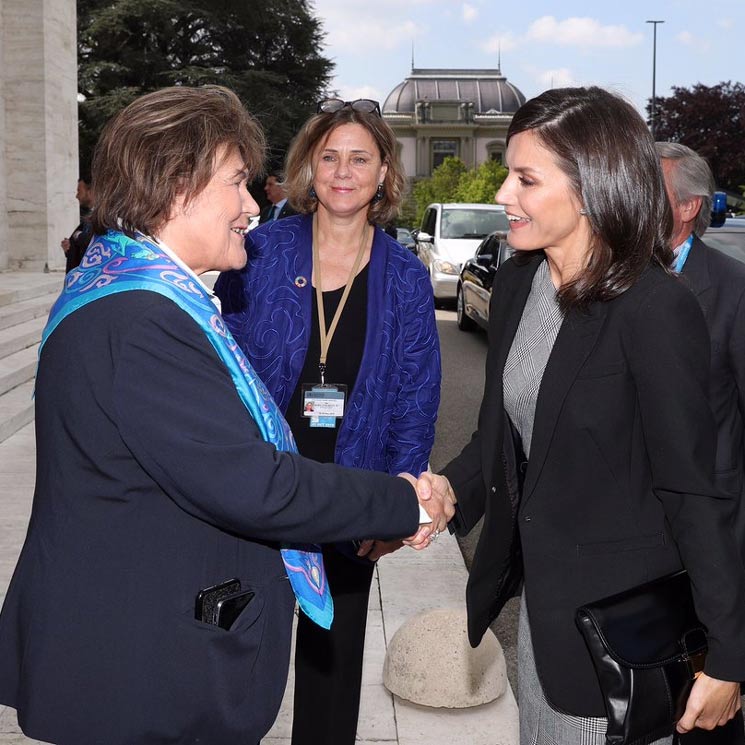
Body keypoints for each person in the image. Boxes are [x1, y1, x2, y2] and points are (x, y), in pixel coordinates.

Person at [0, 85, 452, 745]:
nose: (251, 204)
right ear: (178, 187)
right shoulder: (142, 323)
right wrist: (404, 500)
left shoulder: (123, 292)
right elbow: (255, 484)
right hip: (136, 669)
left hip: (139, 642)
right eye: (237, 183)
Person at [416, 87, 745, 745]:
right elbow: (502, 434)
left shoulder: (653, 308)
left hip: (623, 631)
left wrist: (730, 655)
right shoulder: (514, 283)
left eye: (526, 178)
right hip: (544, 615)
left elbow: (692, 489)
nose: (504, 194)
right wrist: (449, 489)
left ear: (593, 186)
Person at [215, 97, 441, 745]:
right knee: (233, 656)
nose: (343, 171)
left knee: (331, 673)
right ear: (311, 168)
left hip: (347, 505)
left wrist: (393, 501)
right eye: (330, 156)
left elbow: (416, 397)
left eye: (359, 158)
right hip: (255, 495)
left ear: (383, 173)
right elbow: (219, 363)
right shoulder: (258, 251)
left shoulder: (403, 276)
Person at [656, 141, 745, 745]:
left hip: (709, 547)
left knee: (703, 722)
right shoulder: (613, 277)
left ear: (687, 208)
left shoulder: (734, 289)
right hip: (634, 545)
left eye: (648, 189)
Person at [60, 175, 94, 272]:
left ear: (90, 192)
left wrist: (77, 236)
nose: (77, 196)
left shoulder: (103, 217)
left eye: (79, 191)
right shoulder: (88, 217)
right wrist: (70, 246)